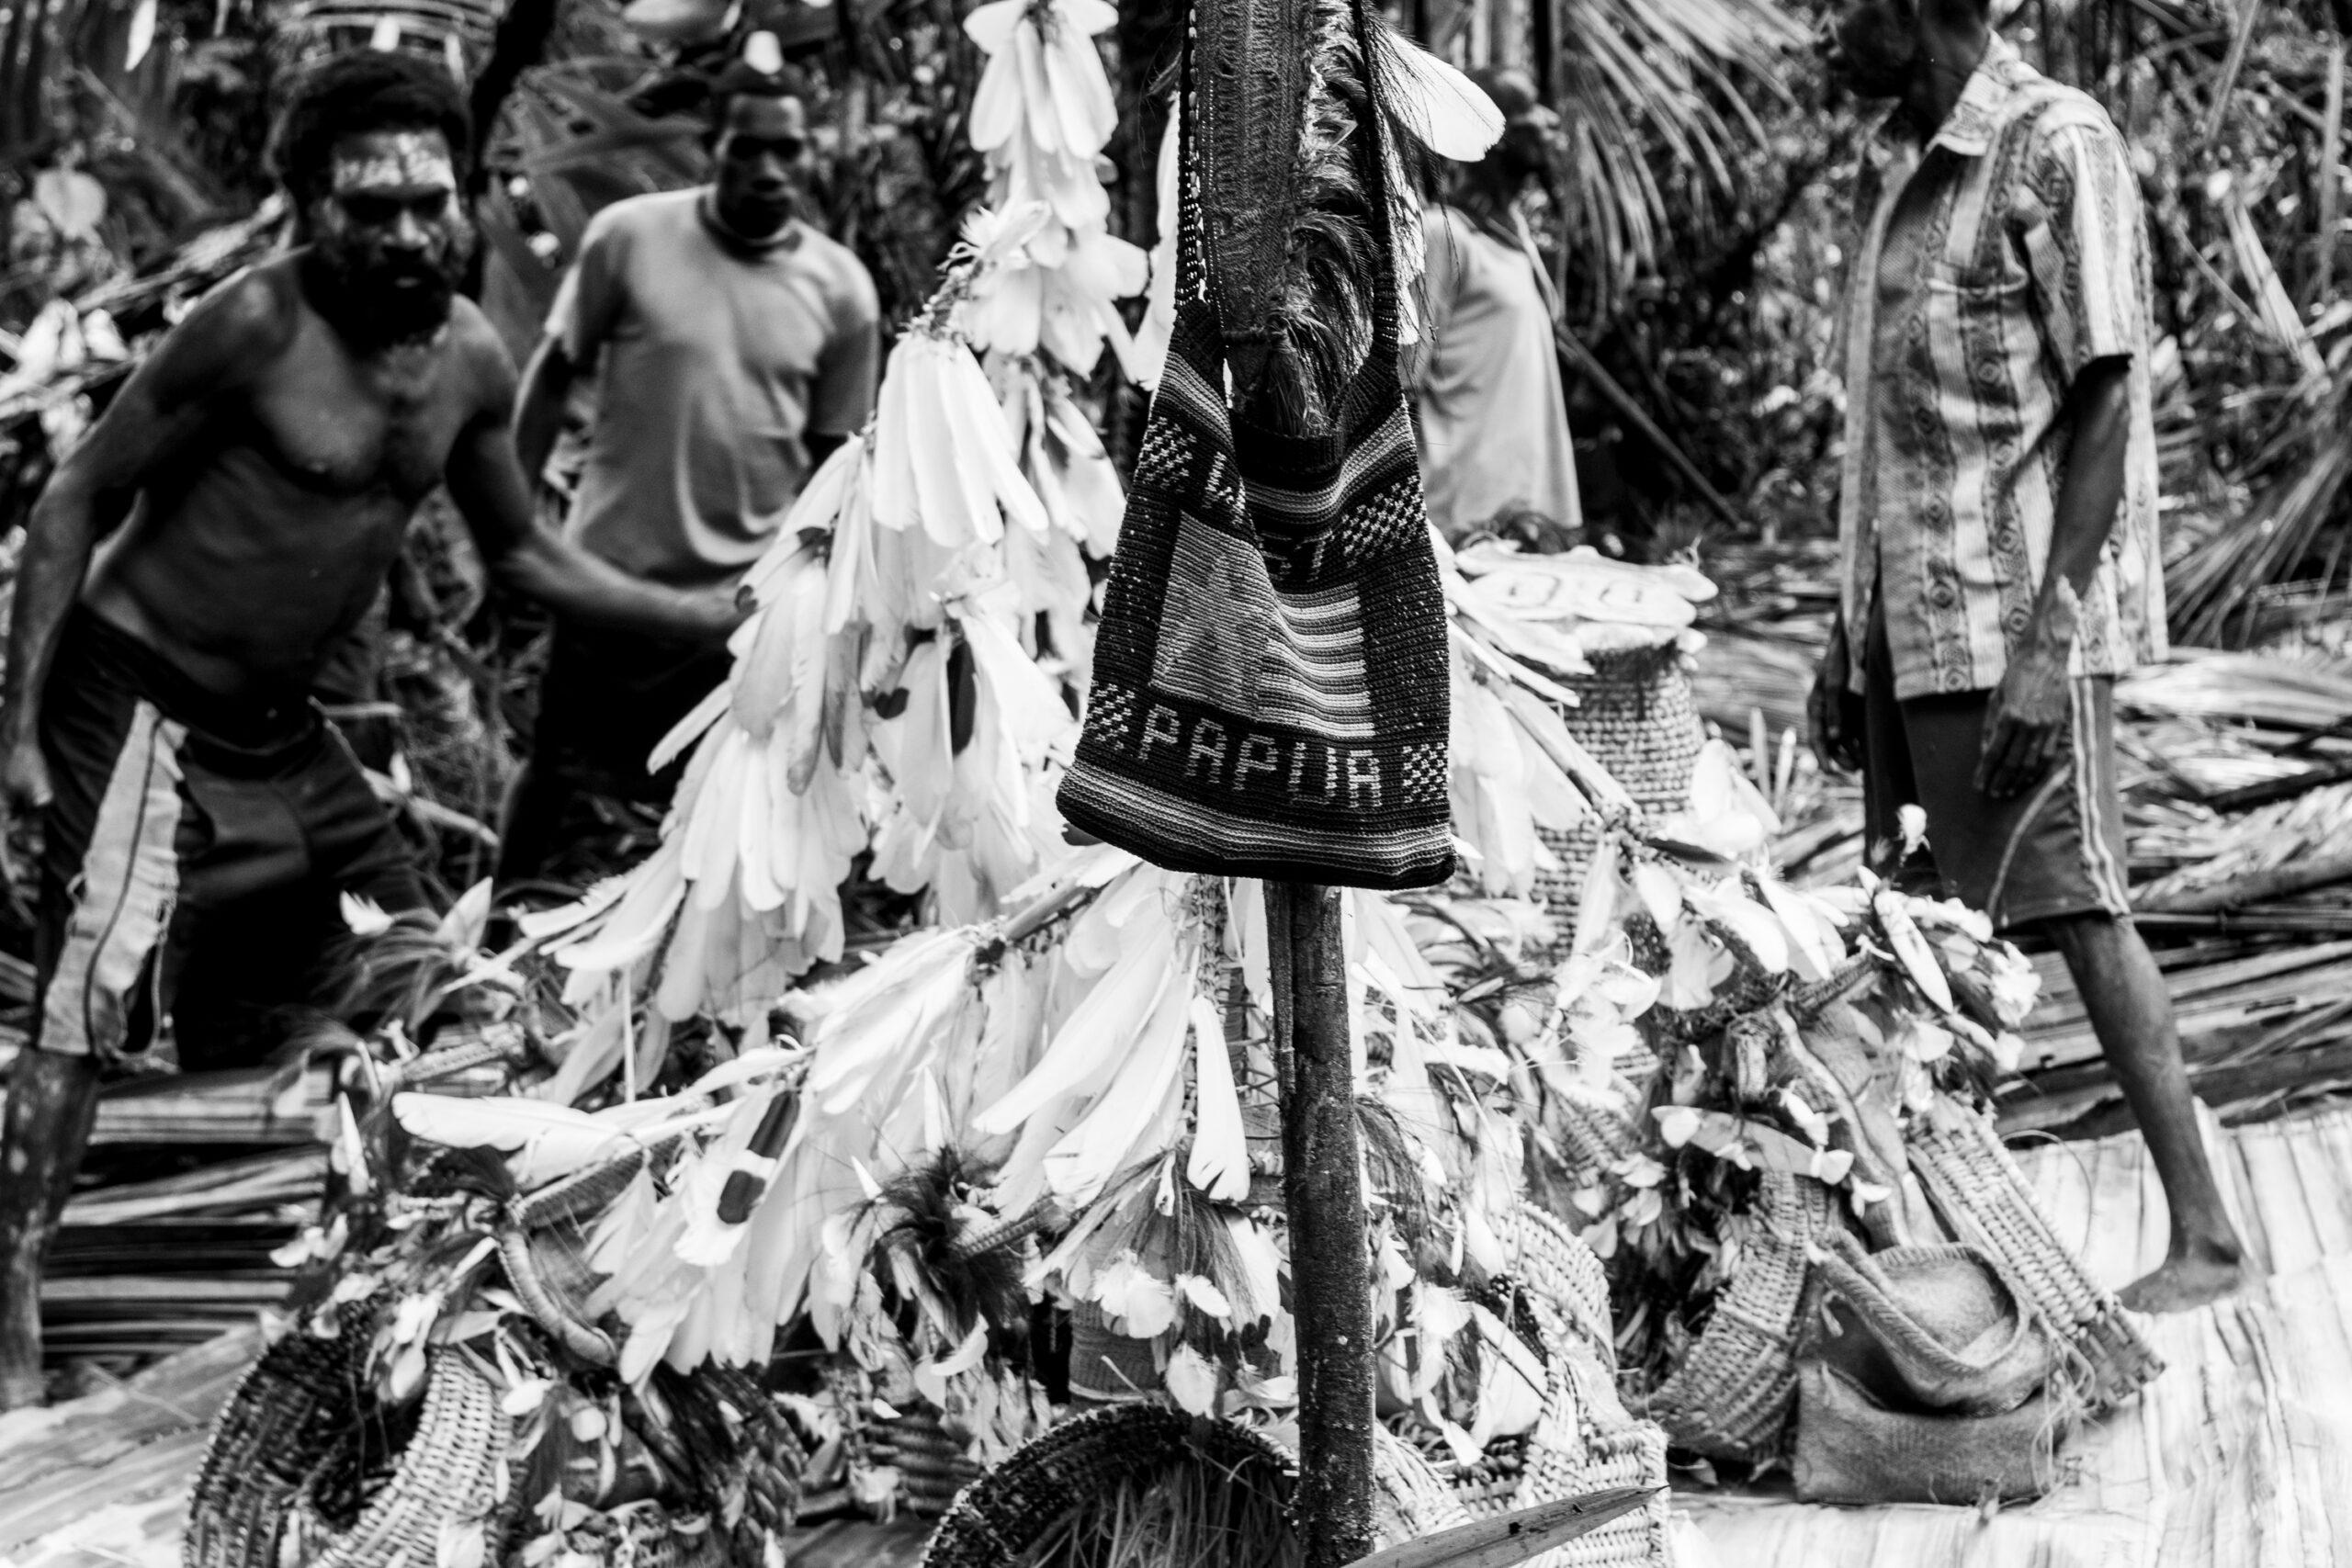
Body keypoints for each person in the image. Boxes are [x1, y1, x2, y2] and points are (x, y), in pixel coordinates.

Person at [0, 51, 746, 1407]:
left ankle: (373, 1278)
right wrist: (19, 734)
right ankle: (13, 1307)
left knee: (430, 971)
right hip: (142, 705)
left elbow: (530, 558)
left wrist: (720, 614)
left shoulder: (467, 350)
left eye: (428, 200)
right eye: (368, 205)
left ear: (462, 198)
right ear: (304, 205)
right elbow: (72, 501)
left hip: (290, 733)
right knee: (84, 1006)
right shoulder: (249, 327)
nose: (405, 231)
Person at [1811, 0, 2243, 1311]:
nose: (1829, 29)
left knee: (2081, 908)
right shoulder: (1905, 176)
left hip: (2012, 625)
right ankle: (1960, 1244)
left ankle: (2210, 1233)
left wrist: (2052, 646)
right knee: (1921, 930)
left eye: (1847, 5)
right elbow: (1886, 438)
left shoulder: (2059, 142)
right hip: (1912, 628)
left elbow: (2109, 393)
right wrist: (1845, 642)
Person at [497, 51, 881, 886]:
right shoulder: (627, 238)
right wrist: (513, 522)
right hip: (608, 580)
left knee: (716, 806)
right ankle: (497, 934)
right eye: (749, 147)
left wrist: (824, 605)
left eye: (791, 149)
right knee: (560, 778)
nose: (771, 169)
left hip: (738, 612)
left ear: (812, 153)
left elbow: (837, 464)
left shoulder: (841, 289)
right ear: (713, 147)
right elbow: (554, 370)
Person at [1408, 65, 1583, 547]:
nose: (1550, 119)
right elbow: (1407, 378)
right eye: (1530, 109)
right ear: (1497, 134)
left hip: (1531, 511)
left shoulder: (1514, 232)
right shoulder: (1444, 233)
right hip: (1465, 515)